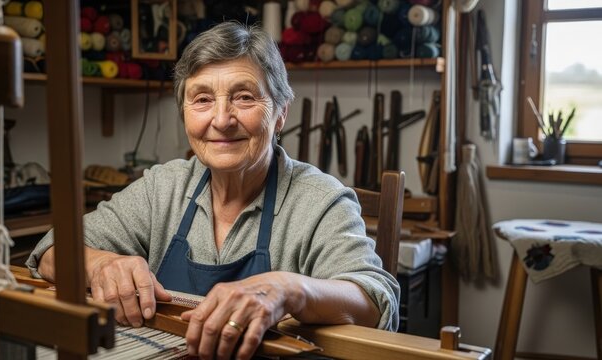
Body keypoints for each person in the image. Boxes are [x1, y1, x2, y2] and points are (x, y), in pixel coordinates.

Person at [27, 21, 399, 360]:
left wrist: (287, 288)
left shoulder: (319, 200)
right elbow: (50, 252)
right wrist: (101, 264)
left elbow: (374, 302)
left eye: (244, 97)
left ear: (281, 112)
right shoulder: (164, 187)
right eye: (202, 99)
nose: (221, 120)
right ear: (184, 112)